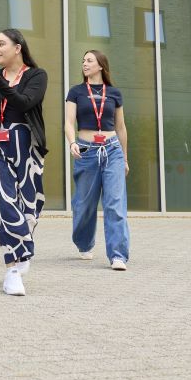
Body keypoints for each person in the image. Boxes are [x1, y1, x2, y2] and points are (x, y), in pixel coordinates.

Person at [0, 29, 48, 297]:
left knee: (29, 207)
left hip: (26, 146)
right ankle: (17, 262)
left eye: (1, 44)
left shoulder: (36, 75)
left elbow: (26, 102)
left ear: (17, 47)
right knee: (3, 201)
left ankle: (15, 264)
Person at [65, 49, 129, 271]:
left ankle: (118, 254)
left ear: (101, 65)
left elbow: (121, 128)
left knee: (115, 204)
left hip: (112, 150)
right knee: (84, 205)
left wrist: (125, 159)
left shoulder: (114, 93)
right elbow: (68, 122)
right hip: (86, 150)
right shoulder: (76, 92)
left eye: (89, 60)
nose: (84, 63)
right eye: (83, 60)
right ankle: (84, 242)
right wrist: (72, 142)